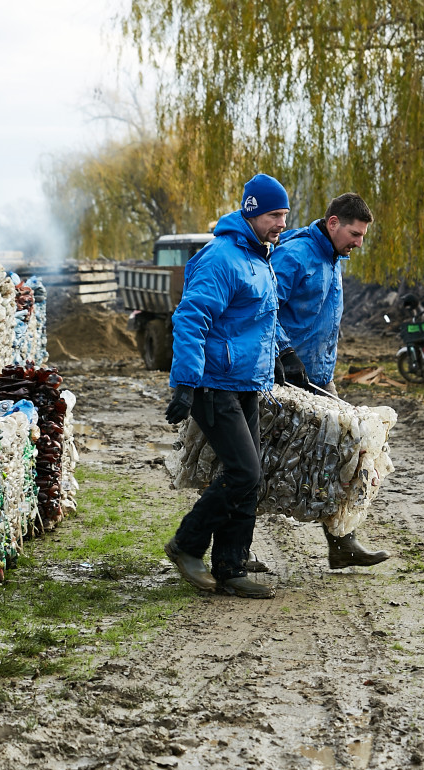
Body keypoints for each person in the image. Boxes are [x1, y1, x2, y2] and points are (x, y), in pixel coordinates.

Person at [162, 173, 289, 599]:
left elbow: (259, 319)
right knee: (244, 471)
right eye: (275, 215)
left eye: (285, 215)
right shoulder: (221, 257)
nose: (281, 224)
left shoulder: (259, 257)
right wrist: (184, 383)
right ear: (252, 211)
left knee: (250, 476)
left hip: (246, 383)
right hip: (213, 385)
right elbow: (191, 318)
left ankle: (231, 567)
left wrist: (279, 360)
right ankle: (187, 545)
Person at [272, 192, 391, 569]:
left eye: (363, 237)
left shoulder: (332, 257)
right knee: (268, 464)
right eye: (355, 234)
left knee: (349, 454)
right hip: (285, 379)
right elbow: (261, 308)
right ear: (333, 223)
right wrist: (283, 353)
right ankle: (232, 553)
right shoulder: (295, 256)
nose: (359, 243)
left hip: (320, 380)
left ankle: (342, 542)